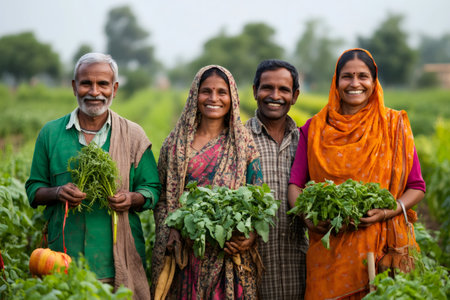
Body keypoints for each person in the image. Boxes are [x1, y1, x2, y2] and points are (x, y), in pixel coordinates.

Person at [288, 48, 426, 299]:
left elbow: (416, 186)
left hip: (381, 254)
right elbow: (295, 185)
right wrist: (308, 218)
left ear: (374, 82)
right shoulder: (315, 128)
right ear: (336, 81)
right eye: (347, 76)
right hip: (327, 250)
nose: (355, 83)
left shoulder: (394, 125)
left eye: (363, 76)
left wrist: (386, 212)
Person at [25, 53, 161, 298]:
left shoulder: (133, 135)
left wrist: (132, 198)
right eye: (86, 83)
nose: (94, 91)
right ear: (74, 86)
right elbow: (34, 189)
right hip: (61, 259)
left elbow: (151, 189)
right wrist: (57, 192)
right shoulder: (50, 133)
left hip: (116, 261)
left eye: (103, 84)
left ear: (115, 88)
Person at [151, 65, 263, 299]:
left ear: (232, 97)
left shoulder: (244, 144)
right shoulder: (175, 144)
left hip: (229, 255)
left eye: (222, 92)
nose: (214, 98)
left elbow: (258, 199)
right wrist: (169, 229)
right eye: (206, 91)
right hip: (186, 256)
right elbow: (161, 198)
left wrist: (249, 236)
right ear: (194, 95)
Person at [245, 59, 307, 299]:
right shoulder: (238, 140)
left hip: (299, 267)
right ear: (255, 91)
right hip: (253, 268)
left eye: (284, 89)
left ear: (295, 96)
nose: (275, 95)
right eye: (267, 88)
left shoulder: (306, 142)